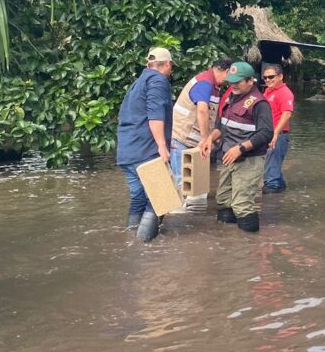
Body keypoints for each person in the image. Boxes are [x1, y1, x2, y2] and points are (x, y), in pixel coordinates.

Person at [198, 62, 273, 233]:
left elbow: (266, 133)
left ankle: (249, 249)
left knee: (242, 204)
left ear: (250, 81)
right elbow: (222, 125)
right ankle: (228, 244)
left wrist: (240, 148)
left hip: (248, 159)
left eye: (238, 82)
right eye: (231, 81)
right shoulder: (231, 97)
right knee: (223, 200)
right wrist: (209, 139)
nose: (233, 85)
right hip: (228, 157)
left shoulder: (259, 104)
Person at [116, 47, 174, 242]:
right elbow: (155, 115)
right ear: (168, 64)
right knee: (160, 198)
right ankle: (144, 246)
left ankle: (131, 240)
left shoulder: (137, 83)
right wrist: (162, 146)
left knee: (139, 197)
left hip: (128, 151)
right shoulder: (158, 81)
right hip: (145, 151)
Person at [170, 58, 232, 208]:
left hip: (194, 143)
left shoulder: (214, 86)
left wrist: (209, 139)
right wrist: (206, 139)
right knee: (182, 183)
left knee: (193, 186)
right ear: (227, 71)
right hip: (182, 139)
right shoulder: (205, 83)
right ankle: (180, 221)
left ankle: (190, 219)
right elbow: (203, 110)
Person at [261, 63, 295, 193]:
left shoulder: (284, 93)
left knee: (271, 179)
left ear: (280, 76)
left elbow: (287, 114)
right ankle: (280, 198)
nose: (268, 80)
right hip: (269, 134)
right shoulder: (268, 91)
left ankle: (270, 207)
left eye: (271, 77)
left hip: (278, 136)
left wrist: (275, 134)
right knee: (272, 168)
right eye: (265, 78)